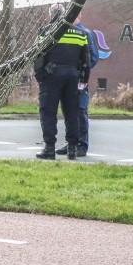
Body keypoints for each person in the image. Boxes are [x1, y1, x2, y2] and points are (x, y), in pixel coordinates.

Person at [34, 20, 90, 160]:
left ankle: (49, 148)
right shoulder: (80, 33)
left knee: (48, 112)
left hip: (51, 75)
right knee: (72, 113)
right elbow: (86, 59)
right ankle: (72, 149)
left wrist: (40, 76)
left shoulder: (46, 31)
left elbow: (37, 55)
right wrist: (83, 80)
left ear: (51, 15)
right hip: (72, 76)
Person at [72, 19, 100, 155]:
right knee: (70, 112)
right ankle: (71, 143)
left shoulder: (85, 33)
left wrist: (82, 72)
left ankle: (82, 145)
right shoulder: (65, 32)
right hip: (69, 78)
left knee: (80, 111)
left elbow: (93, 57)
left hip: (79, 79)